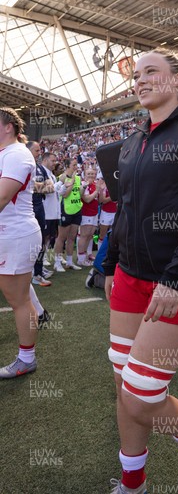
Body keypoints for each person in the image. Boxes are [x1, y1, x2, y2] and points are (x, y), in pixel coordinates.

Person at [103, 48, 178, 494]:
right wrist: (111, 263)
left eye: (150, 72)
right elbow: (125, 210)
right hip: (129, 277)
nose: (140, 80)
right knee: (123, 385)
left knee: (140, 395)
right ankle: (134, 482)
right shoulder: (133, 141)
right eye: (136, 75)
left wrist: (176, 276)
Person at [0, 108, 43, 378]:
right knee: (20, 296)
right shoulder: (8, 154)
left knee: (18, 300)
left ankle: (26, 358)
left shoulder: (16, 153)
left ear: (8, 127)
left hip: (14, 234)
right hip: (9, 233)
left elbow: (2, 197)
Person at [26, 141, 52, 286]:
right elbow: (34, 187)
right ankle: (28, 272)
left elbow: (50, 188)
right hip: (27, 207)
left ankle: (37, 272)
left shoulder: (40, 167)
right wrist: (38, 187)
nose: (39, 153)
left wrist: (36, 187)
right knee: (26, 241)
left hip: (39, 206)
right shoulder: (23, 164)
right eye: (36, 150)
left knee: (40, 240)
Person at [53, 158, 83, 272]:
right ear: (67, 166)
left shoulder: (79, 178)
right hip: (65, 210)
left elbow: (78, 194)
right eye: (74, 165)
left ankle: (70, 262)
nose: (76, 167)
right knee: (61, 237)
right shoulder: (62, 177)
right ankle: (57, 262)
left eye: (76, 164)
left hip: (76, 210)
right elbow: (65, 194)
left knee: (72, 237)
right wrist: (72, 181)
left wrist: (82, 188)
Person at [77, 168, 99, 267]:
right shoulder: (83, 184)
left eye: (93, 174)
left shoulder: (95, 184)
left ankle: (85, 256)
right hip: (86, 213)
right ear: (84, 174)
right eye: (89, 173)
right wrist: (97, 191)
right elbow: (87, 200)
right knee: (84, 235)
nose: (91, 175)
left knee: (90, 235)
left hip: (94, 213)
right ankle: (80, 259)